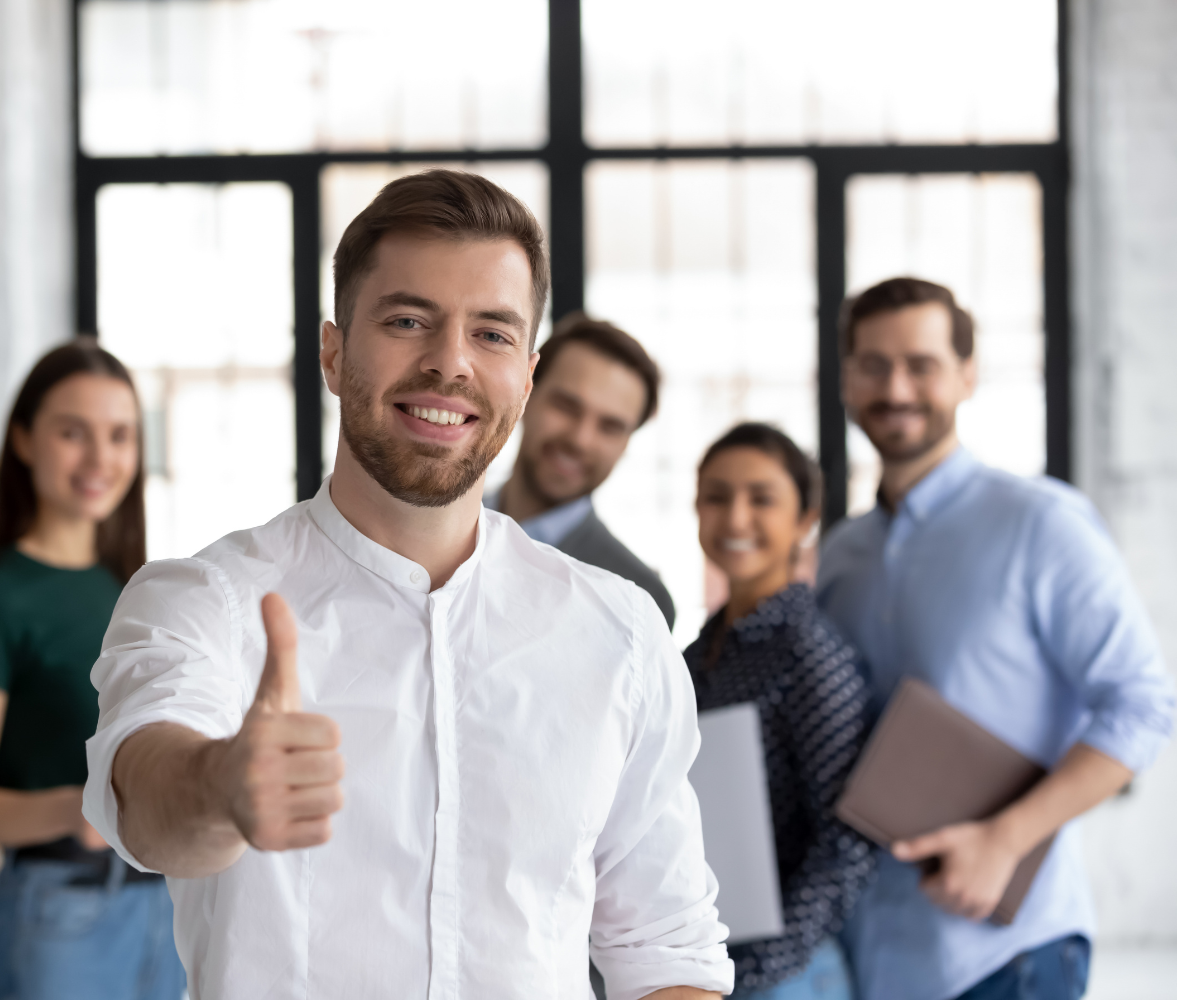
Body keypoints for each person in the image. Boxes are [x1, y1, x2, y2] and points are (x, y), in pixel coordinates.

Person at [82, 170, 733, 999]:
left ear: (526, 377)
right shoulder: (203, 600)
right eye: (407, 320)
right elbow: (145, 800)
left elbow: (668, 948)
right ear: (332, 351)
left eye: (491, 334)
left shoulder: (620, 633)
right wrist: (220, 785)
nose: (449, 364)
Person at [816, 277, 1175, 1000]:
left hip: (1007, 956)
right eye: (874, 364)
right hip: (872, 959)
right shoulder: (839, 554)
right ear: (847, 378)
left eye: (921, 364)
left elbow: (1143, 705)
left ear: (966, 375)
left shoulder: (1041, 523)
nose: (896, 387)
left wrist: (1005, 839)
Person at [0, 340, 184, 1000]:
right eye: (73, 433)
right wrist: (78, 808)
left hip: (166, 906)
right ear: (23, 439)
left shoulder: (137, 588)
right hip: (63, 910)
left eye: (120, 435)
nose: (101, 459)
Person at [686, 423, 875, 999]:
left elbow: (848, 844)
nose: (736, 518)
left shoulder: (810, 653)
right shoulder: (698, 654)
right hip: (706, 960)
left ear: (804, 518)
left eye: (761, 499)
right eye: (716, 497)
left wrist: (754, 974)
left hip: (784, 978)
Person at [492, 312, 676, 628]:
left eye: (610, 427)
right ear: (526, 393)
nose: (580, 440)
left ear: (626, 444)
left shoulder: (638, 601)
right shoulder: (434, 531)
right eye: (566, 407)